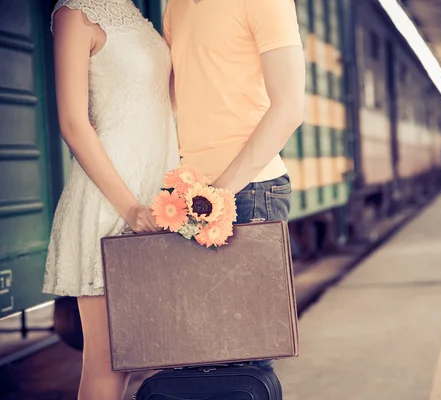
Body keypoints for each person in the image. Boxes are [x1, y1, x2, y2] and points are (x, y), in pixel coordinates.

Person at [43, 1, 179, 398]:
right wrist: (129, 207)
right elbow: (72, 122)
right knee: (107, 362)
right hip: (112, 202)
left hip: (154, 197)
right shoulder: (75, 13)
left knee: (140, 359)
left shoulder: (135, 12)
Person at [162, 0, 305, 371]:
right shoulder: (175, 5)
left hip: (250, 192)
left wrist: (219, 192)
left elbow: (290, 106)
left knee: (245, 359)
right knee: (199, 356)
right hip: (191, 194)